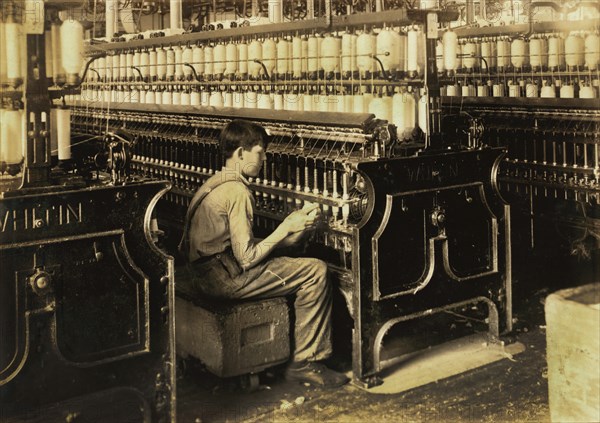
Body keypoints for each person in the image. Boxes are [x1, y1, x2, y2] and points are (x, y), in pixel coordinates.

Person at [179, 119, 349, 388]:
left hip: (204, 272)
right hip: (223, 280)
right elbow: (246, 257)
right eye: (260, 152)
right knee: (316, 271)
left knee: (294, 261)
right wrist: (284, 228)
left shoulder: (215, 182)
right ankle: (305, 363)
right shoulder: (238, 192)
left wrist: (290, 238)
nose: (264, 159)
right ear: (240, 153)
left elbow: (231, 245)